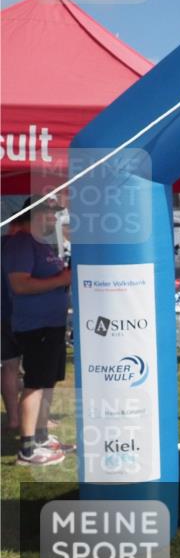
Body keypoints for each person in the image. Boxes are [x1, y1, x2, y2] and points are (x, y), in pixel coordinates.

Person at [3, 199, 74, 466]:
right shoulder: (21, 242)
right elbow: (19, 285)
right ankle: (28, 449)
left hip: (51, 324)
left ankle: (42, 437)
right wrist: (62, 279)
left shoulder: (40, 243)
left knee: (47, 382)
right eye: (51, 214)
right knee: (35, 383)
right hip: (36, 326)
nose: (55, 219)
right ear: (35, 214)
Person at [1, 212, 28, 435]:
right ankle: (30, 416)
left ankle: (13, 419)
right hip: (17, 314)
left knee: (9, 367)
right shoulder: (19, 247)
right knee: (25, 368)